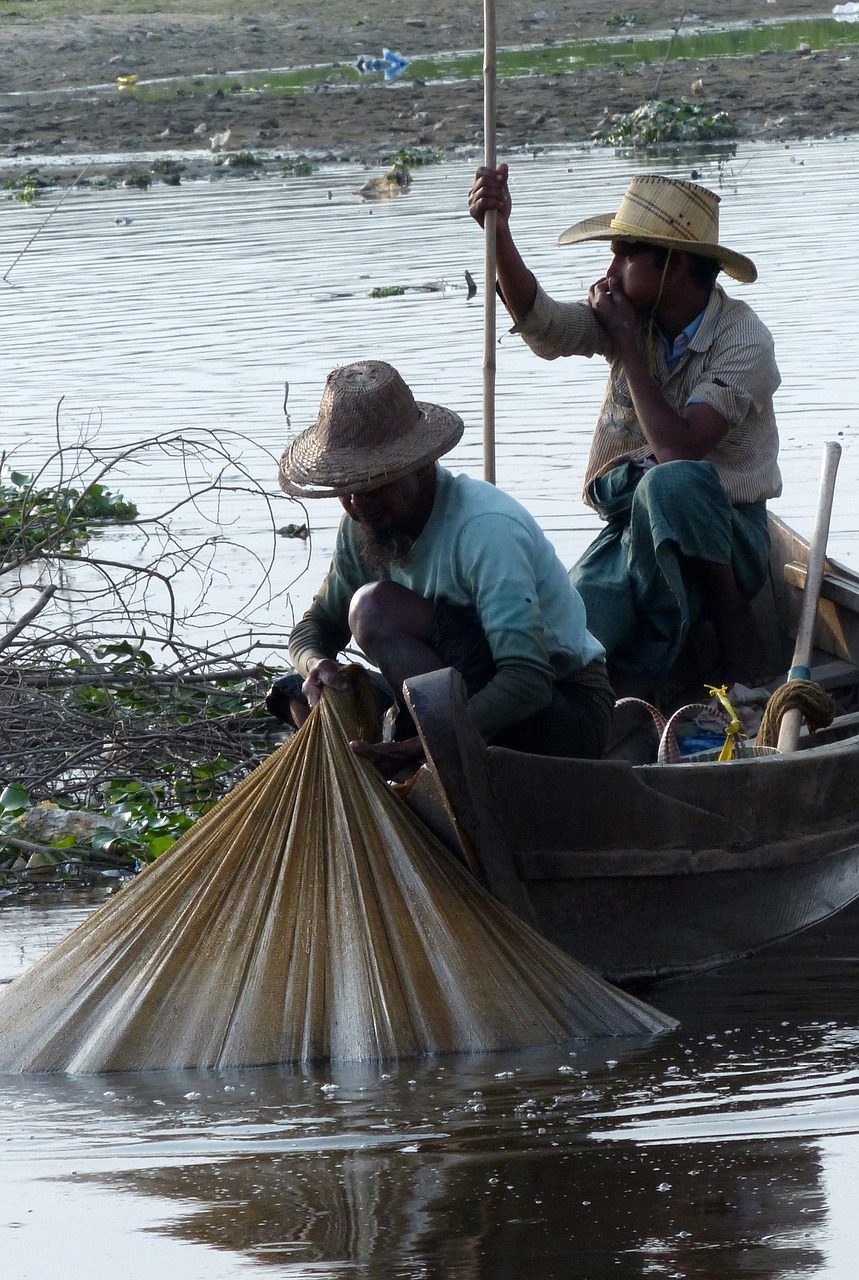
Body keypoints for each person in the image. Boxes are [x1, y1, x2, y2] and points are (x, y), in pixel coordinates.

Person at [467, 167, 782, 685]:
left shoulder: (743, 340)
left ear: (674, 266)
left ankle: (731, 625)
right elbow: (542, 323)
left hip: (729, 537)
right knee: (568, 644)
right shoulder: (633, 315)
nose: (609, 272)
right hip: (634, 530)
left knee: (674, 479)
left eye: (624, 254)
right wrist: (498, 234)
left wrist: (628, 347)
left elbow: (680, 453)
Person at [274, 359, 613, 773]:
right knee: (293, 693)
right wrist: (317, 665)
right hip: (455, 694)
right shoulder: (363, 522)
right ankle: (421, 738)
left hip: (561, 709)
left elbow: (528, 681)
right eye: (347, 487)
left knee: (374, 609)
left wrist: (425, 746)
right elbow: (314, 629)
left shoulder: (485, 529)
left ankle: (438, 753)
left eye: (375, 483)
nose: (359, 502)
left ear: (418, 463)